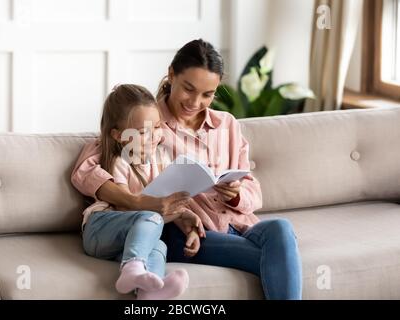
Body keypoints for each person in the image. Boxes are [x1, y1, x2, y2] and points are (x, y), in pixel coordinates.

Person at [71, 39, 302, 300]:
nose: (195, 102)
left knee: (281, 229)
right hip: (192, 231)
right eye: (188, 89)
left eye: (207, 94)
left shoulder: (227, 124)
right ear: (171, 75)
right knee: (278, 256)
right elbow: (89, 166)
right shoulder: (149, 122)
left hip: (239, 224)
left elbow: (254, 192)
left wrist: (236, 193)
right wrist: (136, 201)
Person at [80, 84, 206, 300]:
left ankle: (149, 293)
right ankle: (132, 268)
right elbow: (124, 206)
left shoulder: (159, 161)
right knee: (152, 218)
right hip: (100, 228)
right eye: (142, 132)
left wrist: (186, 217)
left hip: (123, 238)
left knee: (158, 246)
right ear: (119, 135)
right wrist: (165, 211)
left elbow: (163, 204)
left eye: (157, 127)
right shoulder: (120, 162)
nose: (154, 136)